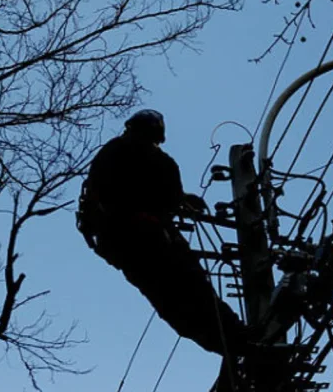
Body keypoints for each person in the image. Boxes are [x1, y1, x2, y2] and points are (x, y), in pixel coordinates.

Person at [77, 109, 249, 358]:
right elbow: (105, 198)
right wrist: (141, 219)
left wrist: (182, 202)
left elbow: (171, 197)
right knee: (176, 301)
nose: (145, 142)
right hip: (128, 241)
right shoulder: (113, 155)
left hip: (154, 239)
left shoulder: (163, 164)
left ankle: (237, 339)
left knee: (195, 290)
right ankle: (230, 343)